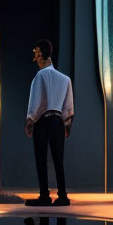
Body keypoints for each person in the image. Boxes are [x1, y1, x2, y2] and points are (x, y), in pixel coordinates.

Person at [24, 39, 74, 207]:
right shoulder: (65, 79)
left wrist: (30, 120)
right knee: (58, 160)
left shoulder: (40, 76)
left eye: (37, 53)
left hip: (43, 122)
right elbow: (68, 105)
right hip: (58, 122)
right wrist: (67, 124)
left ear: (43, 54)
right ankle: (63, 196)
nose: (35, 58)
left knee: (41, 158)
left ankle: (44, 196)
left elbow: (36, 100)